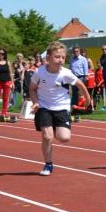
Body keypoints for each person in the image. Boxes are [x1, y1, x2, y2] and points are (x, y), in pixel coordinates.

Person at [29, 42, 91, 176]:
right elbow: (32, 89)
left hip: (61, 107)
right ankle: (48, 164)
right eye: (57, 57)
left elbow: (80, 85)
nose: (61, 60)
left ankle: (55, 127)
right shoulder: (39, 72)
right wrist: (35, 102)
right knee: (47, 137)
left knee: (64, 138)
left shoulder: (66, 73)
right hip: (44, 107)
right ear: (48, 58)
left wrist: (88, 100)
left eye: (63, 57)